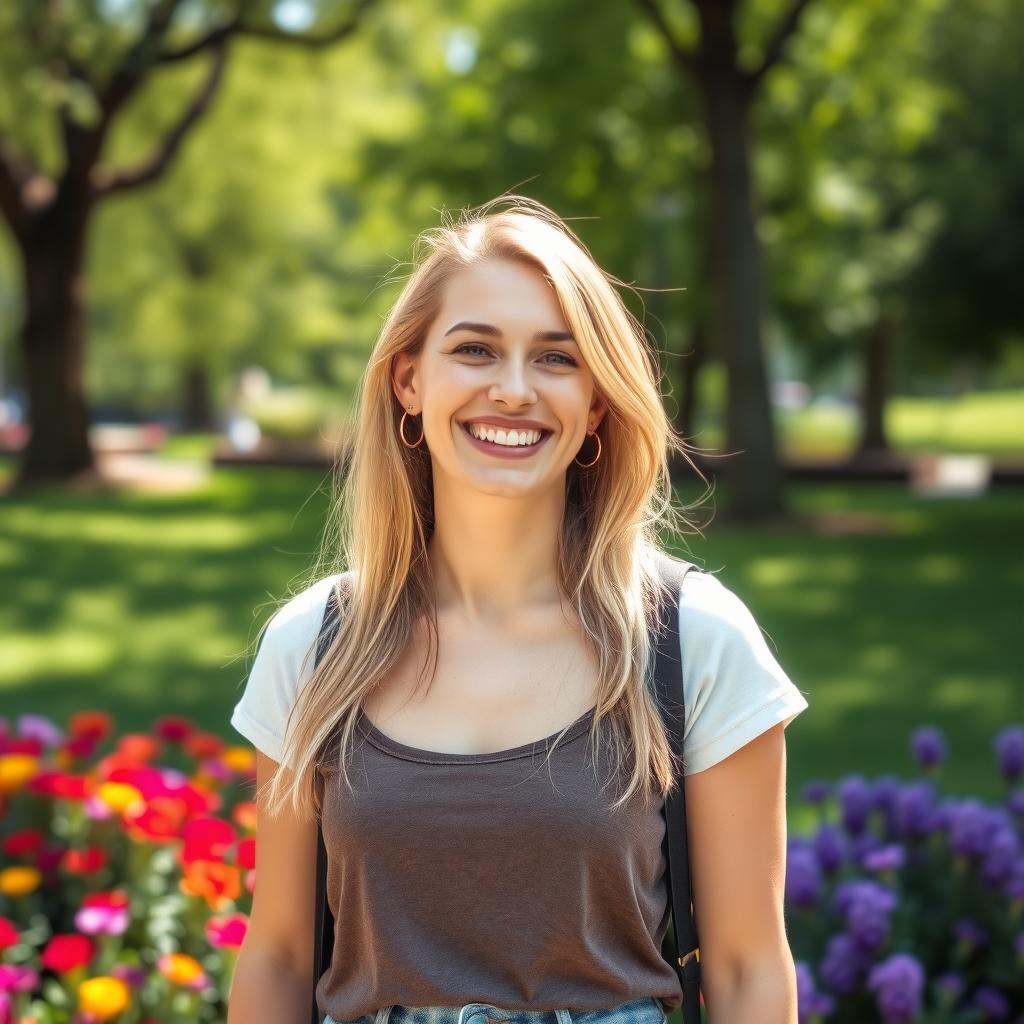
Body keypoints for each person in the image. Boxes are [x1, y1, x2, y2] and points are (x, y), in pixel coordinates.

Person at [226, 196, 810, 1024]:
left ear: (598, 404)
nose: (513, 390)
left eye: (556, 359)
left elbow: (751, 970)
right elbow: (279, 957)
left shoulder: (693, 642)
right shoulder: (314, 648)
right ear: (409, 380)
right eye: (475, 350)